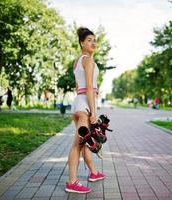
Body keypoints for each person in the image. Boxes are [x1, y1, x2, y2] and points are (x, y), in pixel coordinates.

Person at [66, 27, 105, 194]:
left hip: (78, 104)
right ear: (82, 43)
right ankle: (72, 182)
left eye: (94, 40)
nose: (93, 42)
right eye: (89, 40)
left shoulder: (77, 61)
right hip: (84, 106)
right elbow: (89, 87)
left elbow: (78, 86)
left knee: (84, 143)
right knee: (77, 144)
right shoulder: (88, 60)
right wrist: (93, 112)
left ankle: (94, 173)